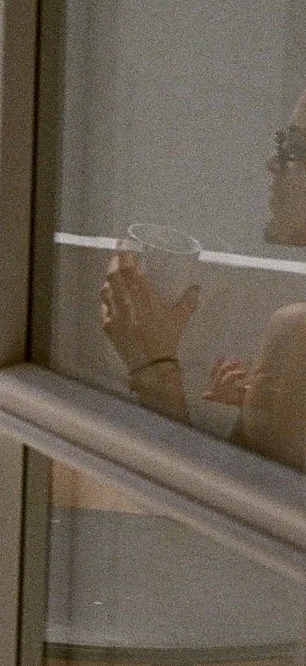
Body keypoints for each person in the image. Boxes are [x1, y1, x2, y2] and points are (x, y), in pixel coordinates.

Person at [99, 85, 306, 468]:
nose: (272, 164)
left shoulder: (297, 334)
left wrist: (151, 363)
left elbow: (212, 514)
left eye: (295, 147)